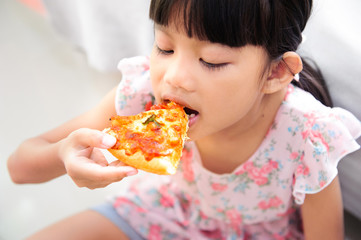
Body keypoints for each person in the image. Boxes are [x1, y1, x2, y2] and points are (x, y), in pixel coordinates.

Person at [7, 0, 361, 239]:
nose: (174, 77)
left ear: (276, 72)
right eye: (165, 47)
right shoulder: (144, 91)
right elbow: (19, 168)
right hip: (164, 211)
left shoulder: (307, 136)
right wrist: (64, 156)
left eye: (211, 61)